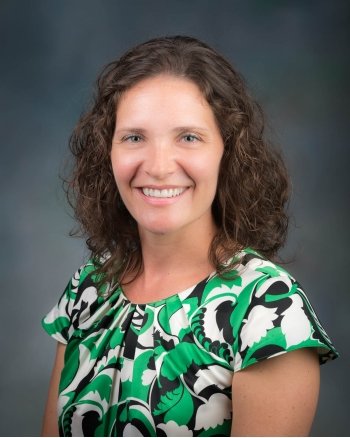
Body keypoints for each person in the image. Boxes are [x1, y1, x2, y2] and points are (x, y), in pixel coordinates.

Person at [41, 35, 338, 437]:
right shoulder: (88, 289)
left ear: (227, 152)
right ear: (106, 152)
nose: (159, 166)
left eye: (189, 137)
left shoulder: (268, 310)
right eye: (134, 137)